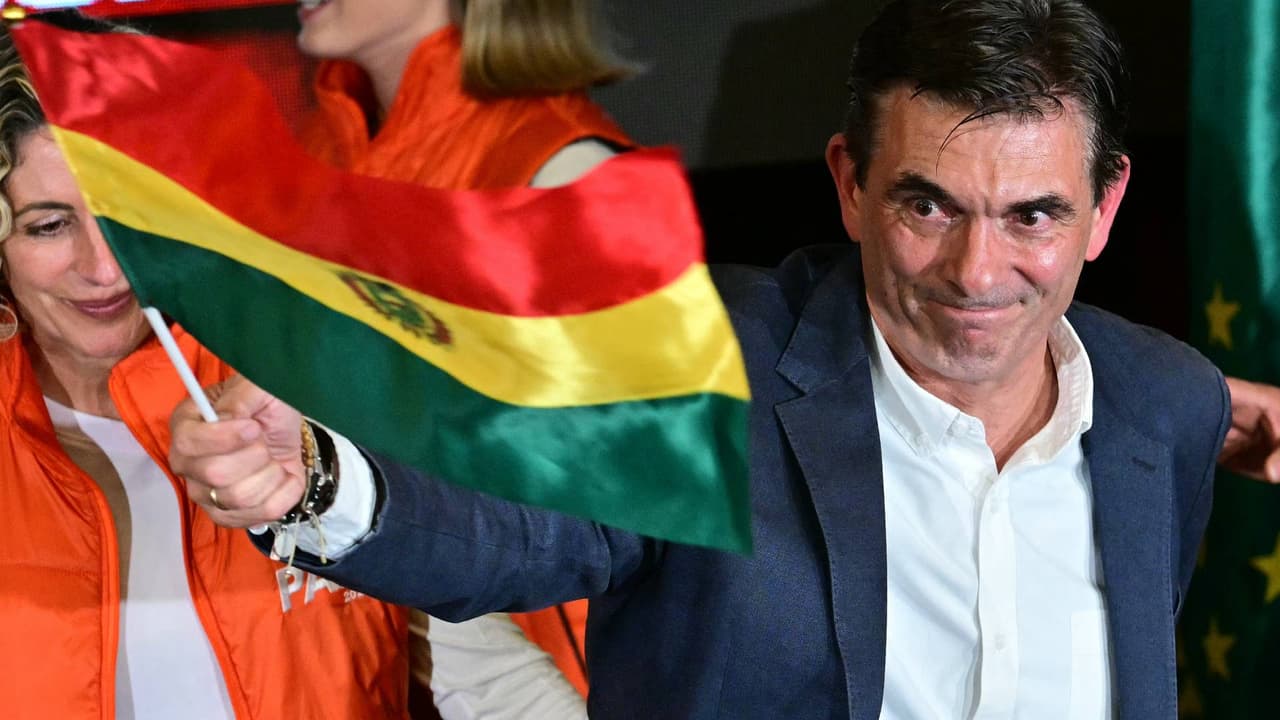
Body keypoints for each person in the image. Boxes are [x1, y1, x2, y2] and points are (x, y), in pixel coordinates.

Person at [169, 0, 1280, 717]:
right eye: (927, 206)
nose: (976, 272)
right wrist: (314, 479)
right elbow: (515, 525)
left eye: (1032, 215)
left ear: (1104, 207)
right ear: (849, 184)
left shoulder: (1165, 402)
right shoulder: (700, 358)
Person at [0, 42, 413, 719]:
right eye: (48, 226)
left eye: (127, 213)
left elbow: (488, 650)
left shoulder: (313, 381)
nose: (105, 267)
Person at [291, 0, 632, 715]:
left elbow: (632, 495)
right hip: (357, 650)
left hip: (537, 670)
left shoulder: (562, 168)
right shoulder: (315, 150)